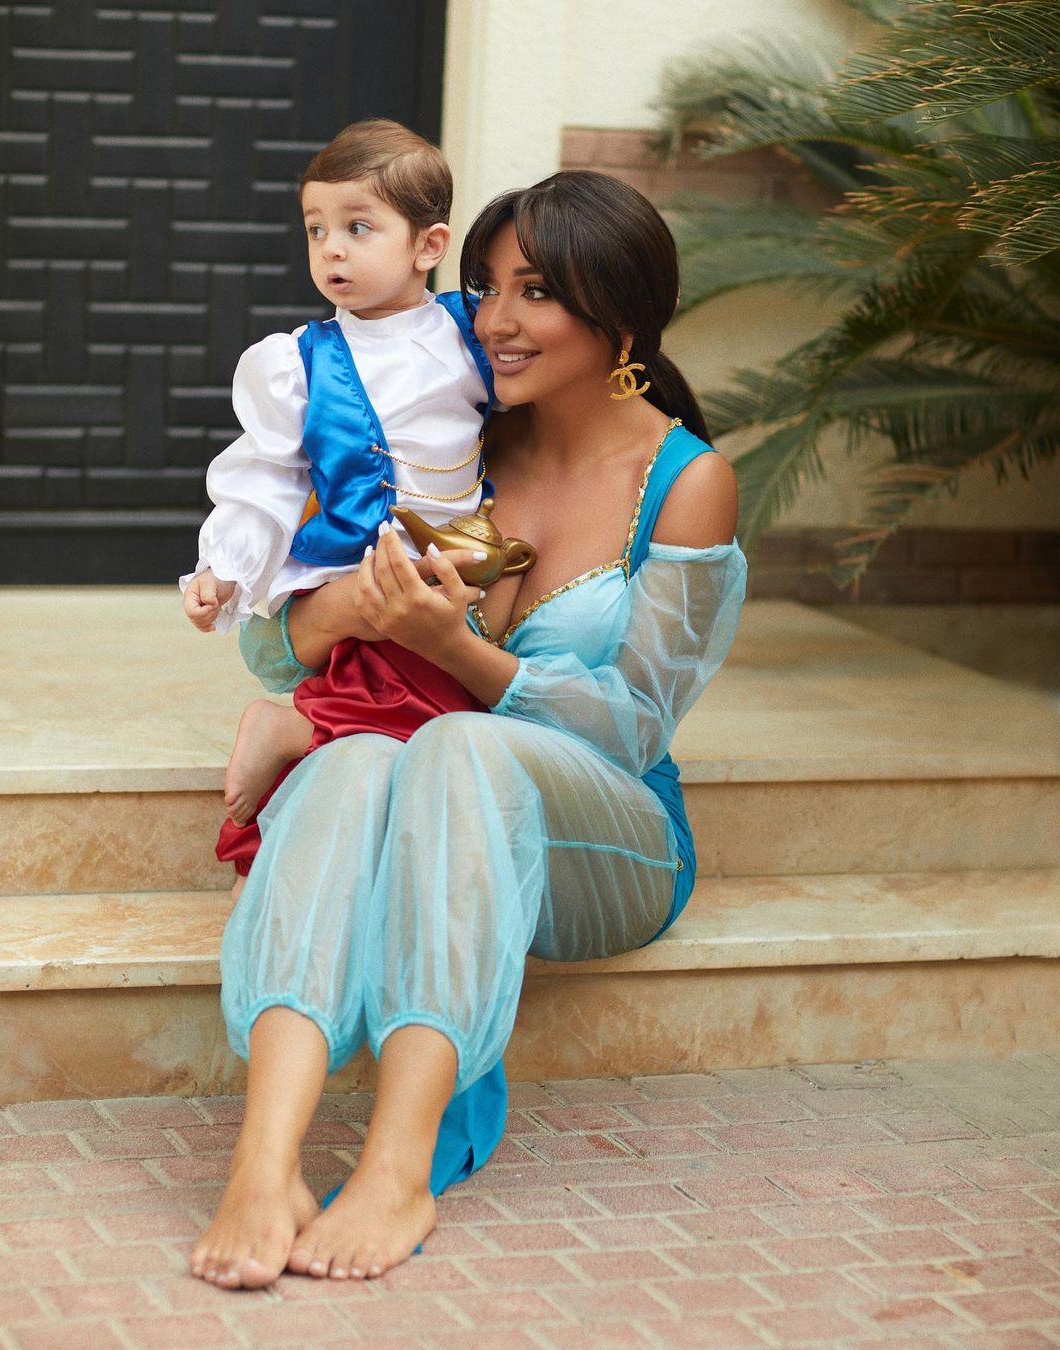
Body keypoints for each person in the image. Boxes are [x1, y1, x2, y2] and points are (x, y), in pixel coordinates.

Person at [189, 169, 747, 1290]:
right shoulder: (455, 441)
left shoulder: (686, 482)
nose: (492, 319)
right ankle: (265, 1162)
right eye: (486, 286)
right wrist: (355, 609)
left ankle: (400, 1168)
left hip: (608, 835)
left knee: (455, 742)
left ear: (620, 316)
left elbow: (633, 727)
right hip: (427, 783)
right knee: (354, 762)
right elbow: (276, 643)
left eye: (535, 292)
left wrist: (460, 652)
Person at [179, 119, 496, 849]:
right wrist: (224, 569)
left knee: (457, 702)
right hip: (351, 564)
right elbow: (267, 477)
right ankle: (292, 727)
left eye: (358, 227)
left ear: (429, 246)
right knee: (413, 671)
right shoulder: (299, 362)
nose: (331, 249)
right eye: (316, 229)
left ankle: (301, 729)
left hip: (459, 553)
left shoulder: (473, 332)